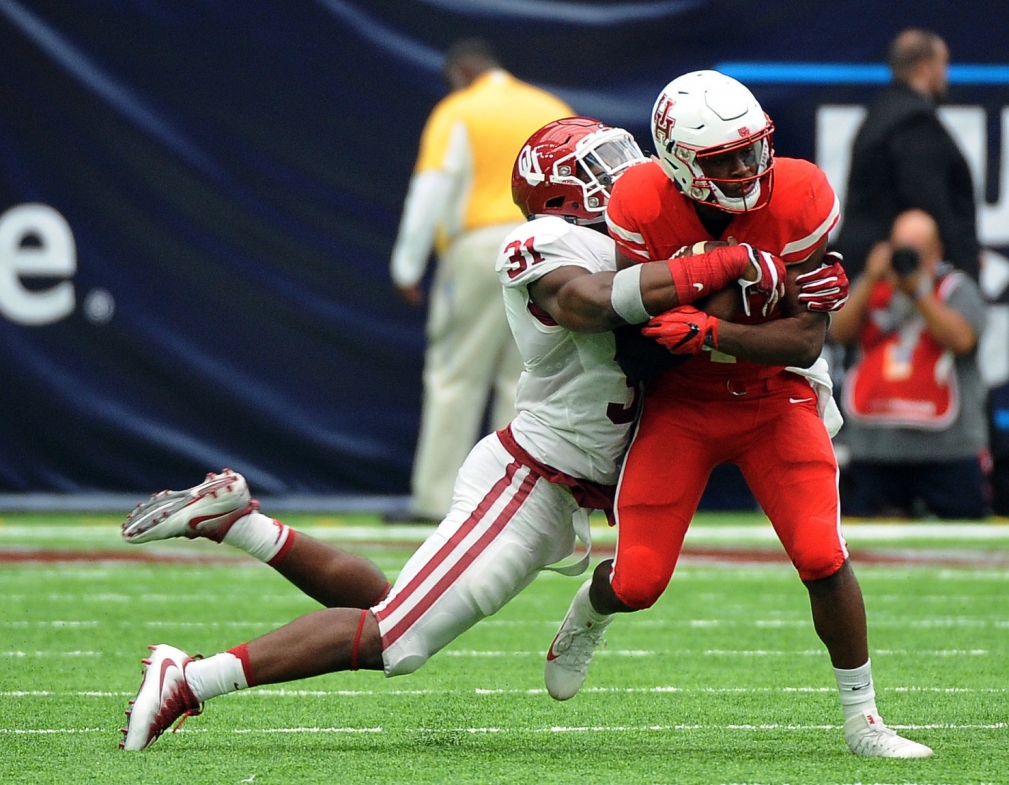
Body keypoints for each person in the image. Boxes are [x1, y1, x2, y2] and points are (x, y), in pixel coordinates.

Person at [119, 117, 846, 752]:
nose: (625, 174)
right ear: (558, 192)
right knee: (396, 638)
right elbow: (594, 303)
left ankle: (237, 520)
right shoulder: (546, 242)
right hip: (531, 478)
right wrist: (723, 265)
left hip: (571, 487)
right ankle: (190, 677)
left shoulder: (653, 232)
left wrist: (800, 283)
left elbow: (729, 300)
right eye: (597, 166)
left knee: (390, 602)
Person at [543, 70, 933, 758]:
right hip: (682, 402)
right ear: (676, 160)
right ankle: (588, 614)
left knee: (822, 552)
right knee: (636, 581)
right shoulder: (638, 202)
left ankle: (864, 717)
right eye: (723, 158)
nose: (746, 168)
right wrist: (731, 285)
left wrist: (711, 328)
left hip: (772, 394)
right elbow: (639, 343)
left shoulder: (802, 191)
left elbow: (804, 339)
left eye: (753, 150)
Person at [387, 38, 574, 524]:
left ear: (461, 72)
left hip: (478, 247)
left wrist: (407, 266)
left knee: (455, 376)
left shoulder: (459, 109)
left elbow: (432, 188)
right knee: (526, 378)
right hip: (547, 246)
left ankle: (436, 501)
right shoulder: (549, 106)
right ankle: (514, 502)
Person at [828, 209, 988, 518]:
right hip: (876, 446)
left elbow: (962, 339)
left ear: (937, 251)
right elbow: (839, 331)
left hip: (947, 449)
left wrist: (917, 289)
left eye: (918, 251)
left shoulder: (956, 288)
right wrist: (871, 278)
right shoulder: (871, 288)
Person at [834, 29, 979, 282]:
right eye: (943, 64)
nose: (947, 75)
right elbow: (926, 198)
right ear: (925, 68)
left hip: (872, 266)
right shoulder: (913, 121)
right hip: (892, 277)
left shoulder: (882, 114)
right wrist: (960, 265)